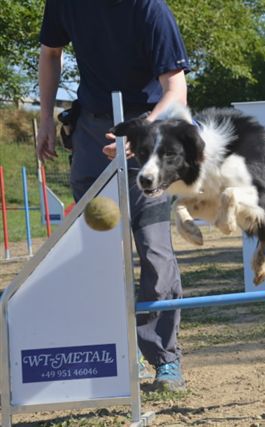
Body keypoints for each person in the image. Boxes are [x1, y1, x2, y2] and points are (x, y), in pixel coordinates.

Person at [37, 0, 189, 392]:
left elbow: (177, 92)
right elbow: (50, 53)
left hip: (148, 131)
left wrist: (142, 133)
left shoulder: (150, 9)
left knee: (154, 250)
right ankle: (113, 354)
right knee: (95, 252)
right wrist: (45, 117)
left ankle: (164, 359)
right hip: (90, 134)